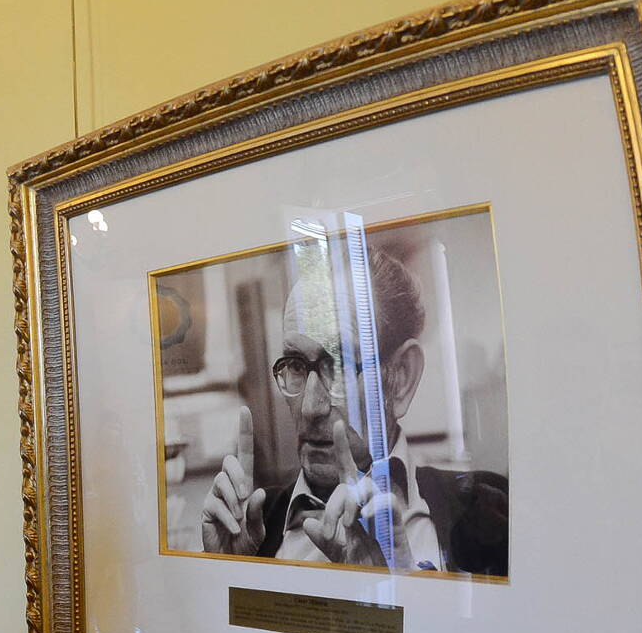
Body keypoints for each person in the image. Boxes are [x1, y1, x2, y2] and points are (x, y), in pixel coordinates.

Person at [199, 244, 507, 576]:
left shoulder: (486, 511)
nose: (310, 407)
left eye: (341, 366)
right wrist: (230, 573)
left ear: (401, 377)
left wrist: (404, 594)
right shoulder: (252, 529)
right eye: (296, 365)